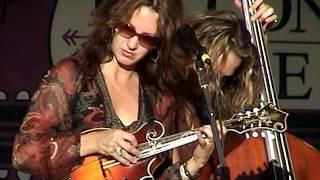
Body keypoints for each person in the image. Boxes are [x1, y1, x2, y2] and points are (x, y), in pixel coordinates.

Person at [12, 0, 217, 179]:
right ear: (113, 22)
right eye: (127, 29)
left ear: (158, 44)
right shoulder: (73, 75)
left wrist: (196, 163)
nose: (132, 44)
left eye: (147, 39)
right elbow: (23, 154)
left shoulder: (160, 96)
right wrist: (93, 141)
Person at [172, 0, 278, 179]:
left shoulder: (216, 104)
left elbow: (247, 102)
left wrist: (260, 36)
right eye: (210, 73)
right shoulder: (159, 94)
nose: (213, 85)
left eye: (224, 77)